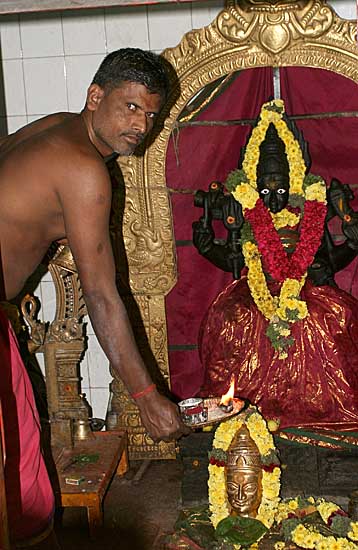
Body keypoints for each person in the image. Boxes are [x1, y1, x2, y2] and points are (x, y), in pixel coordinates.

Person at [0, 48, 189, 548]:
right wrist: (147, 398)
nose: (141, 124)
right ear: (95, 97)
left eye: (151, 114)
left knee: (21, 472)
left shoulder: (59, 126)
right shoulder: (85, 171)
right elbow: (102, 295)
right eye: (130, 107)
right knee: (17, 485)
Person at [193, 99, 358, 438]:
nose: (272, 198)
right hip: (255, 290)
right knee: (231, 320)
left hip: (305, 287)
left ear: (294, 179)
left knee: (332, 318)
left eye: (280, 189)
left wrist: (349, 247)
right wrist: (206, 243)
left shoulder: (310, 209)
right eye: (265, 189)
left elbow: (328, 257)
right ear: (254, 185)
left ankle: (317, 412)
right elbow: (233, 260)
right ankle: (242, 414)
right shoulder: (245, 213)